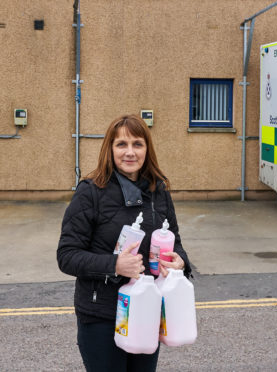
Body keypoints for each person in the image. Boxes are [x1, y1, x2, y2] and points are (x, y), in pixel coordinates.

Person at [57, 114, 191, 371]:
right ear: (110, 149)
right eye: (122, 144)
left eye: (137, 144)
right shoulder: (90, 192)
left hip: (146, 311)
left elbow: (176, 242)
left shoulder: (158, 191)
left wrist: (180, 261)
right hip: (101, 316)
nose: (130, 152)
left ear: (147, 149)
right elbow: (67, 255)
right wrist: (115, 265)